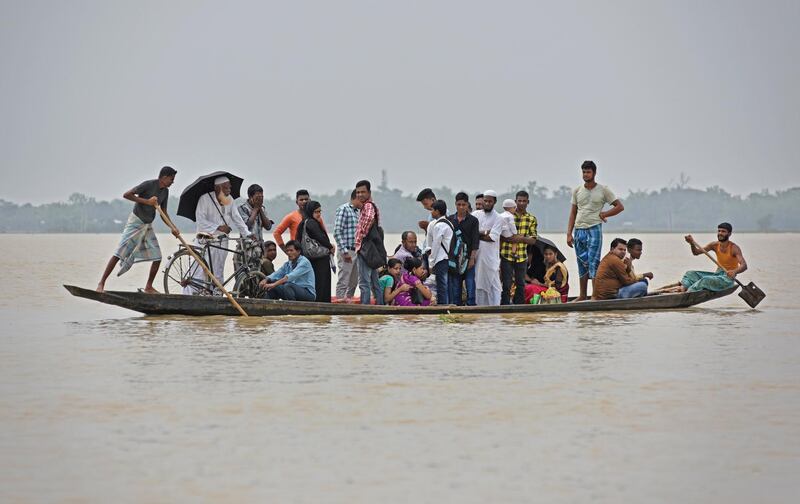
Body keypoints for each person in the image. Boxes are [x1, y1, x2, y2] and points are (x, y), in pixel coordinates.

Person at [96, 166, 179, 293]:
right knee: (119, 253)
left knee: (158, 257)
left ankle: (148, 287)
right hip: (135, 222)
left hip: (147, 226)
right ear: (164, 177)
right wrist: (147, 201)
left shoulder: (165, 192)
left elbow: (163, 212)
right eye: (171, 179)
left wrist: (173, 227)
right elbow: (127, 195)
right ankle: (101, 283)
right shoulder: (148, 185)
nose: (172, 182)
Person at [566, 160, 625, 301]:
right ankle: (582, 295)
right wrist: (569, 233)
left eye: (588, 172)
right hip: (579, 229)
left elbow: (619, 206)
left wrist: (605, 214)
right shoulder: (577, 191)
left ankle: (595, 295)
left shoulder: (603, 190)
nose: (585, 175)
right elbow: (573, 213)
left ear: (594, 173)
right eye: (584, 172)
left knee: (594, 262)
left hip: (594, 229)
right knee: (582, 262)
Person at [183, 176, 253, 294]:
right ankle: (192, 295)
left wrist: (247, 234)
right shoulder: (204, 199)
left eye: (229, 187)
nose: (229, 189)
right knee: (200, 270)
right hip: (205, 240)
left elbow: (237, 219)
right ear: (218, 188)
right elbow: (201, 220)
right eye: (226, 187)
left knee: (218, 270)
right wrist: (219, 227)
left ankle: (216, 295)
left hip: (222, 241)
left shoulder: (229, 199)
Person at [658, 223, 747, 293]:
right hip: (717, 275)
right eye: (719, 231)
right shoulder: (714, 245)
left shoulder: (734, 248)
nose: (720, 233)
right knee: (690, 273)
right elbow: (696, 252)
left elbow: (744, 265)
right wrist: (691, 243)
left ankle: (688, 292)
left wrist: (734, 271)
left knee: (705, 280)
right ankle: (683, 287)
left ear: (729, 233)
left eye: (723, 231)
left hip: (726, 279)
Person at [500, 190, 539, 304]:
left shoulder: (531, 219)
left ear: (528, 202)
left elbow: (533, 240)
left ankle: (519, 307)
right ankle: (505, 306)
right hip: (506, 254)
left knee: (520, 283)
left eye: (524, 201)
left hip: (522, 256)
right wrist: (512, 238)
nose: (521, 203)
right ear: (515, 202)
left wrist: (520, 239)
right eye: (519, 201)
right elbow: (500, 235)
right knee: (506, 283)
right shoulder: (507, 216)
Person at [296, 200, 335, 303]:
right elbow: (320, 237)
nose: (319, 214)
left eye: (319, 212)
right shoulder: (311, 223)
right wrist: (330, 246)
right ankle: (322, 307)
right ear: (310, 212)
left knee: (315, 284)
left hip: (310, 259)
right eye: (316, 212)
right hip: (319, 260)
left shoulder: (303, 223)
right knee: (322, 284)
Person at [354, 179, 384, 305]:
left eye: (363, 192)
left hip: (365, 248)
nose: (360, 195)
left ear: (369, 192)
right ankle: (380, 306)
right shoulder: (370, 205)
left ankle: (365, 308)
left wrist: (360, 238)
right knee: (374, 281)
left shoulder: (368, 206)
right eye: (358, 192)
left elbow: (369, 219)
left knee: (364, 282)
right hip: (371, 249)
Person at [447, 192, 480, 306]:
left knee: (470, 285)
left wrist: (472, 258)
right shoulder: (450, 219)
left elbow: (476, 240)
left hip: (468, 258)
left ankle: (471, 308)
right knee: (456, 287)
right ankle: (457, 308)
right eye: (459, 204)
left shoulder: (473, 221)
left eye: (464, 205)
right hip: (454, 259)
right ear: (455, 204)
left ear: (467, 205)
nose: (461, 207)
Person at [473, 190, 504, 306]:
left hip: (491, 258)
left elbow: (492, 238)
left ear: (494, 202)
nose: (486, 203)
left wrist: (477, 235)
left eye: (489, 201)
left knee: (494, 285)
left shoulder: (498, 218)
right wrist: (485, 232)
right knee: (479, 284)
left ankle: (495, 308)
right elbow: (470, 232)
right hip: (477, 257)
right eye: (485, 201)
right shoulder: (476, 215)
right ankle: (481, 309)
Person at [333, 189, 362, 301]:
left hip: (356, 250)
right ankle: (340, 301)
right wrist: (344, 251)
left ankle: (348, 300)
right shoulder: (344, 209)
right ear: (356, 198)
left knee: (354, 281)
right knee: (344, 279)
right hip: (346, 250)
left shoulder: (357, 212)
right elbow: (337, 232)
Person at [426, 199, 454, 305]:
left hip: (441, 259)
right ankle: (448, 304)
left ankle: (443, 306)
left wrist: (431, 262)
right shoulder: (449, 223)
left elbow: (436, 245)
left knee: (442, 285)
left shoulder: (438, 226)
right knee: (447, 284)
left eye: (432, 210)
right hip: (449, 257)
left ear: (437, 211)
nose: (431, 212)